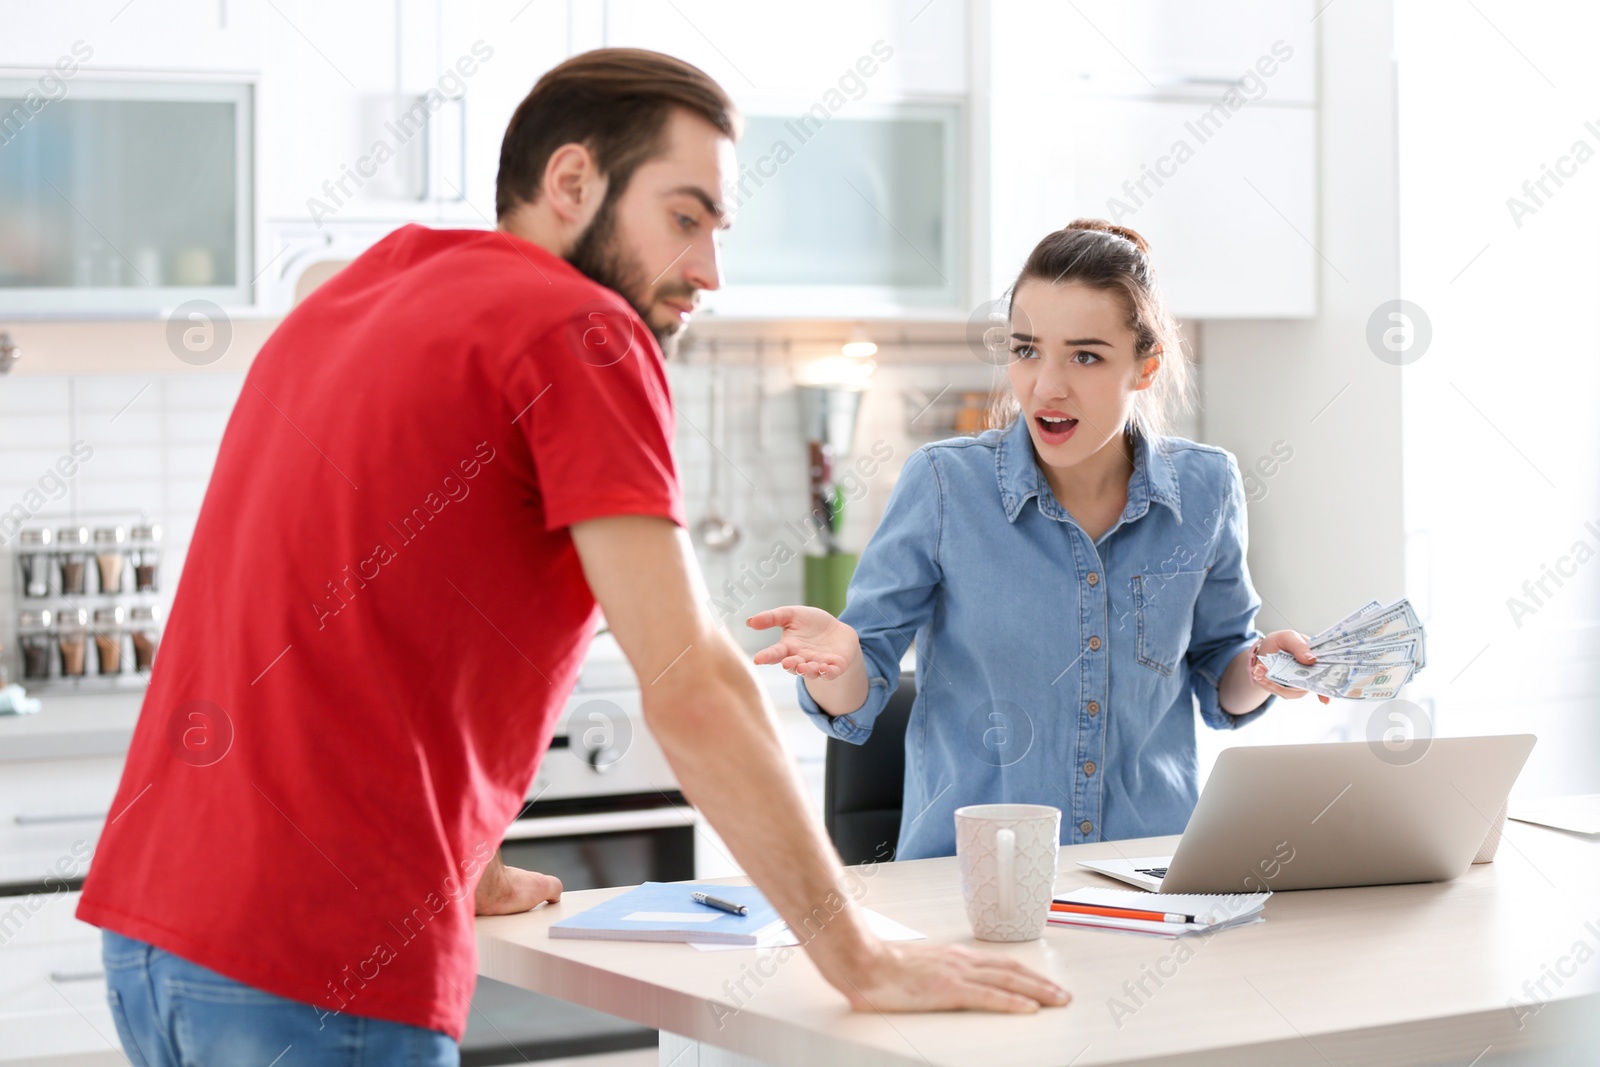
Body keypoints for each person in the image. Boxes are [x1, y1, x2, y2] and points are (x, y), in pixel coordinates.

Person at [76, 49, 1068, 1065]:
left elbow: (354, 618)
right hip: (319, 962)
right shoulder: (581, 328)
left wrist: (462, 853)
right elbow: (693, 686)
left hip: (157, 936)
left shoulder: (365, 289)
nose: (708, 272)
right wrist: (861, 956)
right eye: (684, 218)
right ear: (571, 181)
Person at [750, 219, 1328, 862]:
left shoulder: (1207, 487)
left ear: (1145, 366)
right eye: (1026, 350)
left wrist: (1260, 669)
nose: (1046, 385)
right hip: (971, 881)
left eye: (1085, 355)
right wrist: (840, 662)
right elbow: (859, 695)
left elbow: (1222, 670)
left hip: (1148, 873)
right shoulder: (946, 485)